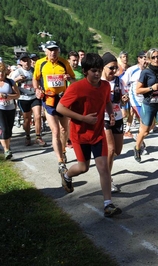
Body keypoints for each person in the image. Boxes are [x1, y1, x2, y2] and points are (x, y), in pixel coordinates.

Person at [56, 52, 122, 218]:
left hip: (98, 134)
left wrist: (110, 113)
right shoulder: (77, 87)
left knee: (103, 169)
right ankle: (66, 174)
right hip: (80, 135)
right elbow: (60, 108)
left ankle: (108, 204)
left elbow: (107, 100)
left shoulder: (106, 86)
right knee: (83, 167)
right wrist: (83, 118)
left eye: (99, 70)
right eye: (94, 70)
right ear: (85, 71)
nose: (97, 73)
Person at [32, 40, 76, 175]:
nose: (53, 52)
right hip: (49, 99)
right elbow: (35, 78)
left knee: (64, 129)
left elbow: (73, 80)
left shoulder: (64, 62)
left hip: (63, 99)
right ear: (46, 51)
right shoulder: (40, 63)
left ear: (58, 51)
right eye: (50, 50)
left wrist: (69, 78)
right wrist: (37, 89)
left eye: (55, 50)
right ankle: (60, 161)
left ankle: (62, 150)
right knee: (55, 131)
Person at [101, 52, 129, 193]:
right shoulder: (99, 82)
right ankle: (107, 178)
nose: (114, 71)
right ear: (103, 67)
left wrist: (124, 99)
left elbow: (124, 98)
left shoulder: (119, 81)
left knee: (117, 150)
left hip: (118, 117)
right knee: (110, 149)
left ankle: (104, 168)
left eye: (115, 68)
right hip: (104, 118)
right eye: (111, 68)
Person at [11, 52, 46, 147]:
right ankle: (27, 136)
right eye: (24, 61)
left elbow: (41, 80)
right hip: (23, 98)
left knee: (38, 116)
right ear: (21, 62)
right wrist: (17, 79)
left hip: (34, 96)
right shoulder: (17, 72)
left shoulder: (34, 70)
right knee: (27, 119)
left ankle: (38, 137)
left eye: (27, 60)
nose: (26, 62)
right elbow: (10, 83)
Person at [121, 50, 148, 148]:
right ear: (139, 59)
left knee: (150, 123)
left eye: (147, 58)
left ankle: (138, 137)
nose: (146, 61)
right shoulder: (132, 70)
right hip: (135, 98)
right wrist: (125, 93)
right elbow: (122, 82)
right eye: (144, 58)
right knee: (143, 120)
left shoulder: (148, 70)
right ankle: (139, 145)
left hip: (146, 100)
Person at [0, 62, 20, 159]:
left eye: (2, 71)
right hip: (0, 109)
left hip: (10, 108)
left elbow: (17, 95)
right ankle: (6, 150)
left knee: (9, 129)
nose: (0, 74)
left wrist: (7, 96)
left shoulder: (10, 82)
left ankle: (6, 146)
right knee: (4, 128)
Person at [116, 51, 133, 138]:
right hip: (122, 93)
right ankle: (119, 127)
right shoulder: (118, 68)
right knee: (123, 114)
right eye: (123, 57)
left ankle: (127, 130)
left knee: (131, 112)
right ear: (120, 58)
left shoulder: (130, 68)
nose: (125, 58)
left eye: (126, 56)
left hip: (130, 92)